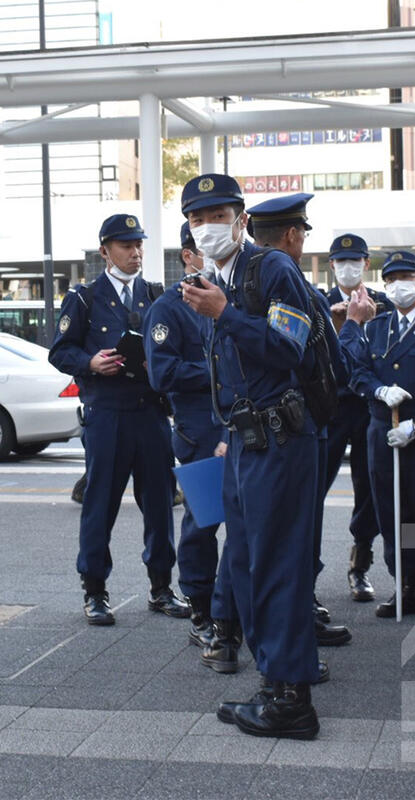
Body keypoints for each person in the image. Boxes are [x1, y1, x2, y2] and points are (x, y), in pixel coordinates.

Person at [180, 175, 322, 739]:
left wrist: (225, 315)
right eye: (198, 217)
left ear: (241, 219)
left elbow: (291, 347)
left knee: (277, 563)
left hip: (281, 440)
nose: (208, 226)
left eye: (219, 214)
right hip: (244, 440)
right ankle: (275, 682)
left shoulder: (272, 270)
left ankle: (292, 698)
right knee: (245, 562)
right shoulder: (220, 278)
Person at [49, 214, 188, 625]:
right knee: (100, 504)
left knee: (161, 505)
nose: (135, 252)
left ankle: (161, 587)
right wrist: (90, 362)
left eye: (139, 245)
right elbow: (60, 352)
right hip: (107, 415)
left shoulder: (156, 294)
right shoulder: (85, 298)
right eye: (126, 246)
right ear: (105, 251)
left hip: (150, 414)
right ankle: (95, 591)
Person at [244, 195, 352, 647]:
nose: (304, 240)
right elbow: (288, 348)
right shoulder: (278, 273)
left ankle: (300, 614)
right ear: (291, 235)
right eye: (303, 232)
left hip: (310, 420)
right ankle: (288, 635)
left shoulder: (284, 278)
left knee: (300, 530)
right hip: (290, 422)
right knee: (286, 538)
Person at [143, 221, 240, 672]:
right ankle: (201, 609)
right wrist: (218, 375)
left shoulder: (233, 296)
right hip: (199, 430)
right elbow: (162, 373)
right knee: (203, 524)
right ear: (188, 256)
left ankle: (234, 612)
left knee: (245, 523)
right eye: (200, 247)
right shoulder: (168, 308)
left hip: (240, 425)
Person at [342, 251, 415, 621]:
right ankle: (404, 585)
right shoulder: (377, 327)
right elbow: (356, 370)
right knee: (391, 510)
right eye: (392, 279)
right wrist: (378, 391)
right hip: (382, 432)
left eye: (408, 276)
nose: (400, 284)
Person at [323, 233, 392, 602]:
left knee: (369, 487)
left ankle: (359, 564)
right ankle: (308, 565)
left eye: (355, 261)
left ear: (366, 264)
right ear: (331, 265)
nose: (348, 268)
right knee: (315, 484)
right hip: (333, 406)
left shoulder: (381, 304)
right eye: (340, 262)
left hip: (369, 407)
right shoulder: (319, 302)